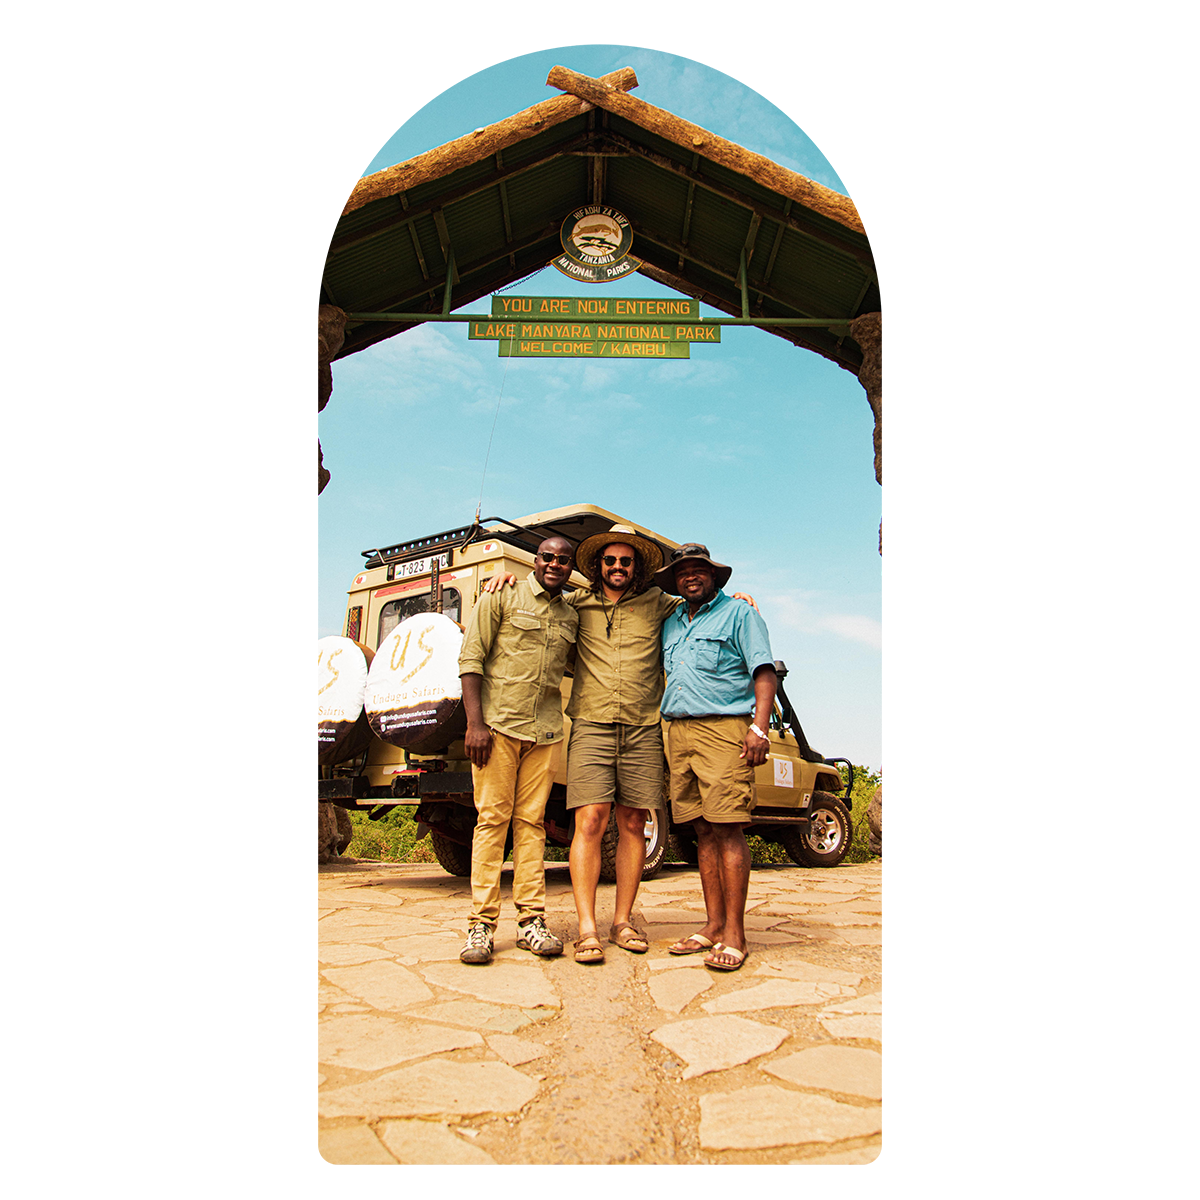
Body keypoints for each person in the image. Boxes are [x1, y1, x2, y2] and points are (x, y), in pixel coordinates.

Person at [484, 525, 756, 965]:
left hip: (644, 726)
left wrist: (738, 598)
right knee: (589, 821)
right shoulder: (575, 603)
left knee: (633, 824)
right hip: (590, 723)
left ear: (637, 567)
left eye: (625, 562)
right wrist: (507, 581)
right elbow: (542, 597)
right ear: (597, 566)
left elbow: (702, 603)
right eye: (609, 561)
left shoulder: (660, 605)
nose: (617, 568)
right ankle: (588, 928)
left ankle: (622, 921)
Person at [456, 535, 579, 965]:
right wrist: (474, 724)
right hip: (497, 728)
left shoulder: (571, 614)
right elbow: (471, 658)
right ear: (535, 559)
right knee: (492, 821)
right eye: (548, 557)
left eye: (564, 560)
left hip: (544, 732)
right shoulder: (501, 594)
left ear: (569, 567)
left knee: (532, 824)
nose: (555, 564)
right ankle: (481, 926)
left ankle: (531, 922)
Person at [654, 543, 777, 972]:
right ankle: (712, 924)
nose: (691, 576)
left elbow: (763, 670)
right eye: (683, 571)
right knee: (702, 830)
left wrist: (759, 727)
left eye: (699, 570)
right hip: (678, 730)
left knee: (727, 829)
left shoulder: (741, 614)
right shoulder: (670, 621)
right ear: (675, 580)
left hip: (723, 729)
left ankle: (736, 935)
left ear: (714, 576)